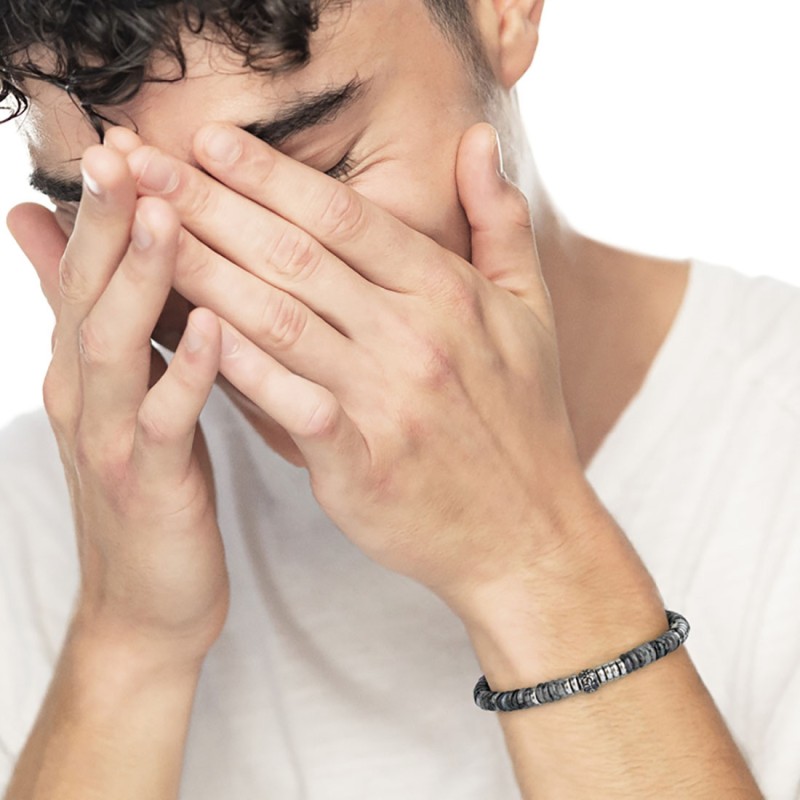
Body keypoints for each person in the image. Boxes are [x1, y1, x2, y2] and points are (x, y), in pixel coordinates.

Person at [0, 0, 797, 797]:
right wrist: (125, 643)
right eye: (103, 213)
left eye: (308, 168)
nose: (228, 301)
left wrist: (536, 559)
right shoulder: (34, 513)